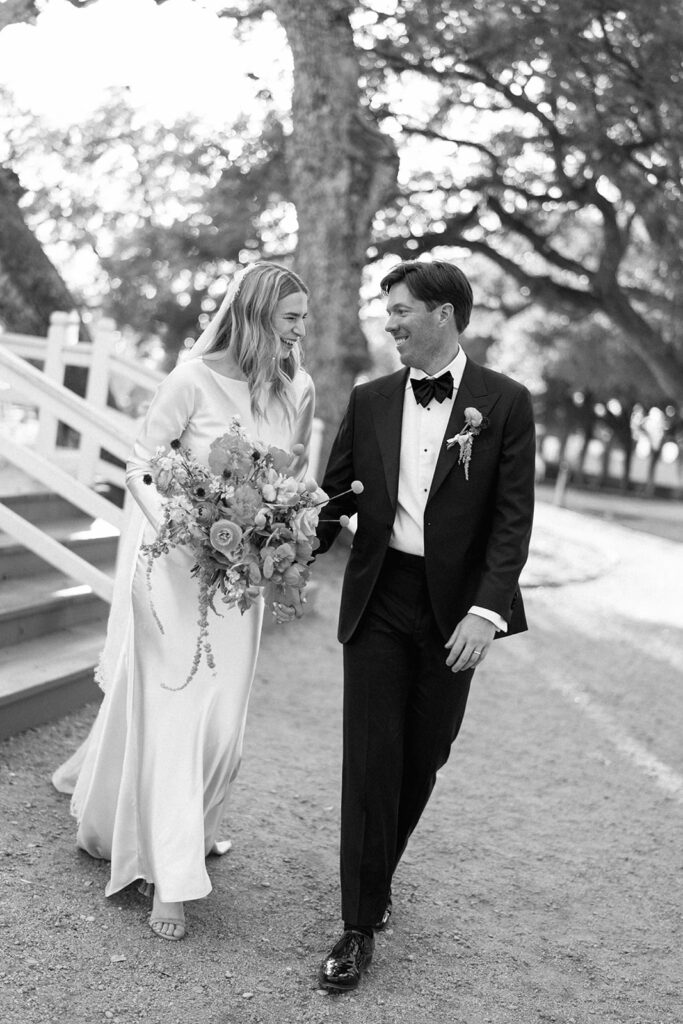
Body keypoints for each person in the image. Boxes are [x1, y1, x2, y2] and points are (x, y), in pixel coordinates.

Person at [53, 262, 315, 941]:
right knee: (177, 709)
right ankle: (170, 876)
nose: (300, 332)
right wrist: (185, 523)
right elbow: (143, 457)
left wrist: (289, 527)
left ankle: (184, 822)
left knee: (222, 722)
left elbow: (297, 474)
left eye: (303, 320)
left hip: (245, 579)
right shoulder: (191, 379)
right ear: (257, 315)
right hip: (176, 570)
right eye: (290, 318)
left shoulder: (301, 388)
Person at [314, 259, 535, 991]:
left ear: (442, 313)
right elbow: (333, 496)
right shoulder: (370, 397)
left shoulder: (504, 403)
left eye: (401, 310)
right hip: (378, 595)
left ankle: (375, 881)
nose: (389, 323)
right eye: (387, 311)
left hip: (456, 611)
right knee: (369, 759)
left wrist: (486, 611)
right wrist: (278, 534)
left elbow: (510, 523)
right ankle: (356, 922)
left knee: (422, 756)